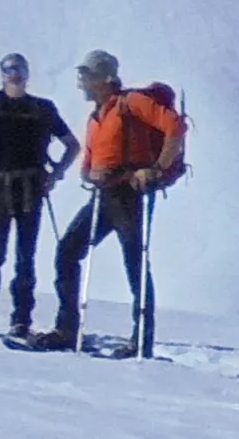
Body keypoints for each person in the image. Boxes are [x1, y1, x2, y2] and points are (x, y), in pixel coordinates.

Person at [44, 51, 185, 353]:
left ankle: (140, 340)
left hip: (128, 193)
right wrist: (89, 171)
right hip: (105, 194)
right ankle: (67, 328)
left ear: (104, 79)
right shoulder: (98, 114)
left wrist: (157, 169)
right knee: (68, 251)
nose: (81, 82)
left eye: (87, 76)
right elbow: (94, 155)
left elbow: (174, 126)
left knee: (133, 262)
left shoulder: (131, 103)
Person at [0, 56, 74, 338]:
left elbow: (73, 145)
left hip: (24, 189)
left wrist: (56, 174)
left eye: (19, 69)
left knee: (22, 256)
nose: (14, 75)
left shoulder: (34, 108)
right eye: (9, 70)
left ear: (26, 74)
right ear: (2, 75)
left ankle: (17, 318)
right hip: (6, 188)